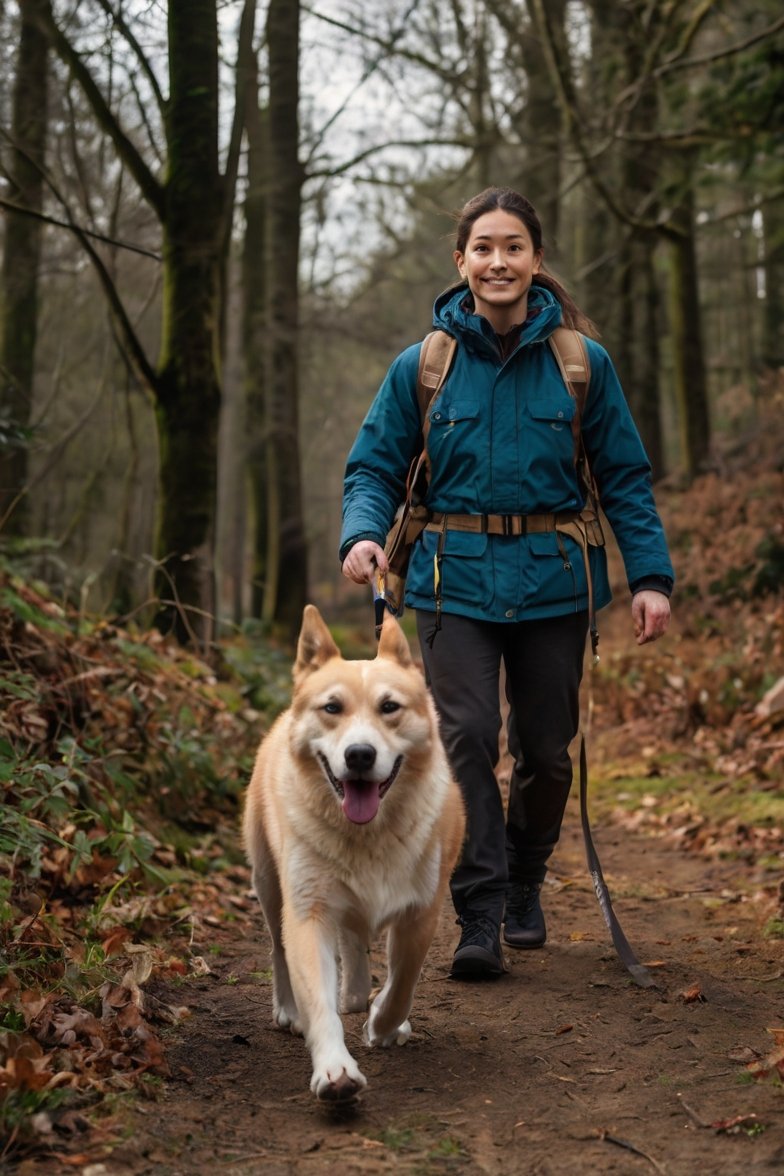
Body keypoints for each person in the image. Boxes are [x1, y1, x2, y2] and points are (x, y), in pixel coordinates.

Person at [339, 187, 673, 980]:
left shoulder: (581, 364)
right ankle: (479, 909)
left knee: (546, 752)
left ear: (535, 259)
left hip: (556, 583)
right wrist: (362, 532)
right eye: (483, 248)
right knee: (462, 738)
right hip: (450, 583)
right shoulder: (424, 366)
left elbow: (625, 478)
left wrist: (650, 577)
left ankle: (526, 876)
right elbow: (373, 467)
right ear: (462, 261)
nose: (499, 261)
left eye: (513, 247)